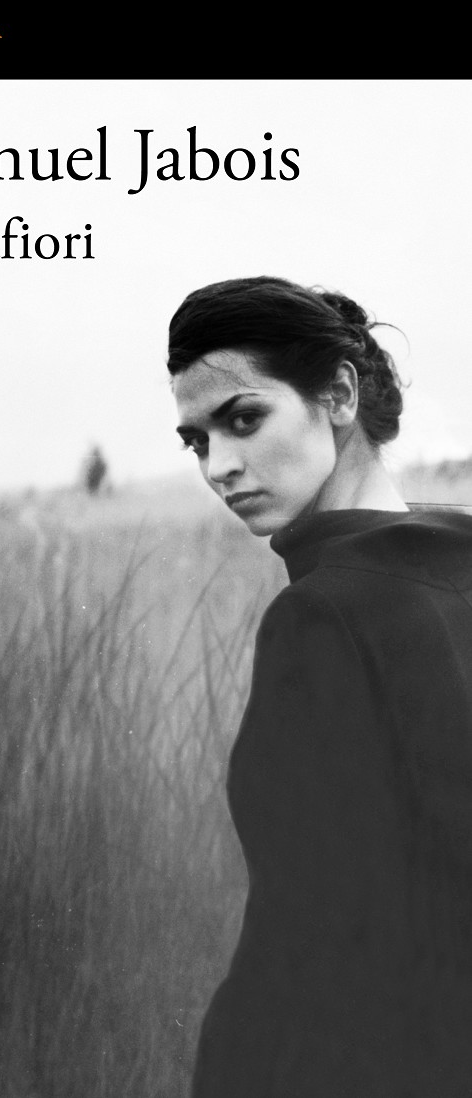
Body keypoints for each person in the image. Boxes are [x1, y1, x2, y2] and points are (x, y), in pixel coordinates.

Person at [167, 276, 472, 1097]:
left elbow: (310, 946)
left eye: (243, 419)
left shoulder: (323, 617)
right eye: (196, 442)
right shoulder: (459, 563)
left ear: (338, 394)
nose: (220, 467)